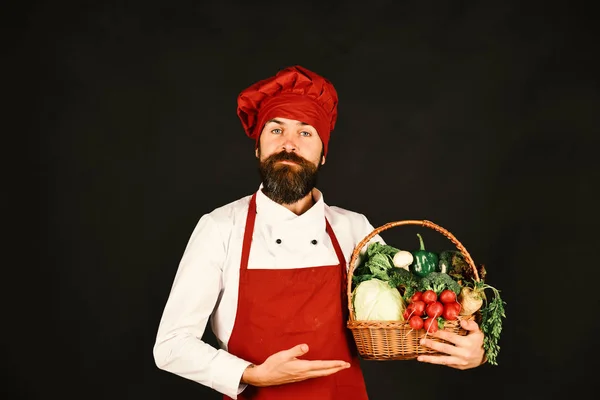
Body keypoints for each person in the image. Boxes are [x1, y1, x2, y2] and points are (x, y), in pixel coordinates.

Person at [152, 65, 486, 400]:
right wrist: (251, 374)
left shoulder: (354, 229)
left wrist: (471, 348)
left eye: (305, 133)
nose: (289, 145)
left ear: (323, 154)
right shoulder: (220, 228)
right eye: (276, 130)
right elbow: (170, 345)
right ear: (258, 147)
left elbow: (410, 314)